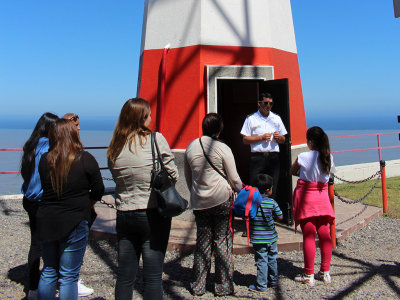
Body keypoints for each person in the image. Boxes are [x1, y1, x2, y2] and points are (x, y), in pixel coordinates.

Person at [107, 98, 179, 300]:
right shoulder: (156, 139)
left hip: (124, 214)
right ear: (142, 117)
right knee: (153, 277)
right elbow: (173, 175)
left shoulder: (115, 146)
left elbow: (115, 176)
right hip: (152, 213)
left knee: (124, 276)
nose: (150, 117)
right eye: (148, 114)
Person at [37, 119, 105, 299]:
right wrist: (88, 202)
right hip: (75, 219)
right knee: (68, 276)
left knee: (49, 271)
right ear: (74, 134)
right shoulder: (85, 159)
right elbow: (99, 188)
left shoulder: (45, 160)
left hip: (46, 218)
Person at [184, 113, 242, 296]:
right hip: (221, 199)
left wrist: (196, 193)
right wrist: (242, 189)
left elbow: (188, 177)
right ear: (219, 129)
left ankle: (198, 285)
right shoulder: (222, 148)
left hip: (200, 201)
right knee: (222, 241)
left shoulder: (191, 147)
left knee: (203, 242)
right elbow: (234, 178)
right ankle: (223, 286)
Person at [290, 126, 336, 287]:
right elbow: (327, 175)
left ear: (309, 142)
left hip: (307, 199)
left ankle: (308, 274)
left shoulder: (303, 156)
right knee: (324, 233)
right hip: (322, 198)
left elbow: (292, 170)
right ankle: (325, 272)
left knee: (309, 235)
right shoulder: (328, 157)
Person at [20, 112, 59, 300]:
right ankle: (56, 281)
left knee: (35, 243)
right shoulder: (48, 148)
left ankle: (33, 288)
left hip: (28, 199)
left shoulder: (30, 145)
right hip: (42, 201)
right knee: (51, 243)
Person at [62, 113, 93, 297]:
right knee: (73, 248)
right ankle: (72, 281)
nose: (79, 128)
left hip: (54, 210)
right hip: (76, 211)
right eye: (76, 125)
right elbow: (96, 184)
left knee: (50, 266)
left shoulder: (49, 155)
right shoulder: (81, 156)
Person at [240, 92, 287, 200]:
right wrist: (260, 138)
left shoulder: (276, 118)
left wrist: (278, 138)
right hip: (258, 157)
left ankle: (270, 212)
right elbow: (245, 140)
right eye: (266, 103)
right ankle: (255, 212)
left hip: (273, 158)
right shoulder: (251, 119)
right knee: (254, 186)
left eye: (271, 103)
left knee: (273, 186)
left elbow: (283, 139)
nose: (268, 106)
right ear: (259, 103)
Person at [248, 174, 283, 293]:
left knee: (261, 260)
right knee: (272, 258)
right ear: (268, 190)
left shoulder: (253, 202)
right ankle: (273, 282)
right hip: (272, 238)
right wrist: (273, 217)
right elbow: (280, 216)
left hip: (258, 239)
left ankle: (262, 285)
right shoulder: (272, 203)